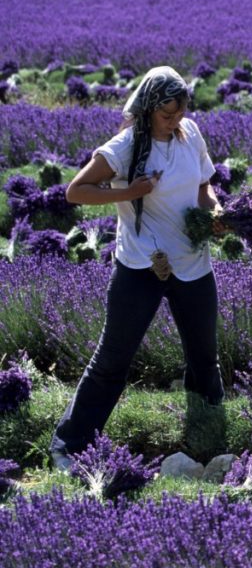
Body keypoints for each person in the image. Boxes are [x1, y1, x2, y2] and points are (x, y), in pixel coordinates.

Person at [50, 66, 226, 473]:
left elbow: (203, 185)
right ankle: (68, 445)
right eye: (168, 114)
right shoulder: (126, 146)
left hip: (192, 262)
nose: (175, 120)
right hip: (141, 265)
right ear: (148, 109)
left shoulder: (191, 133)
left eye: (180, 111)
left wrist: (214, 209)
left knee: (204, 358)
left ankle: (207, 434)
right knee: (113, 358)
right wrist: (132, 191)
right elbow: (76, 191)